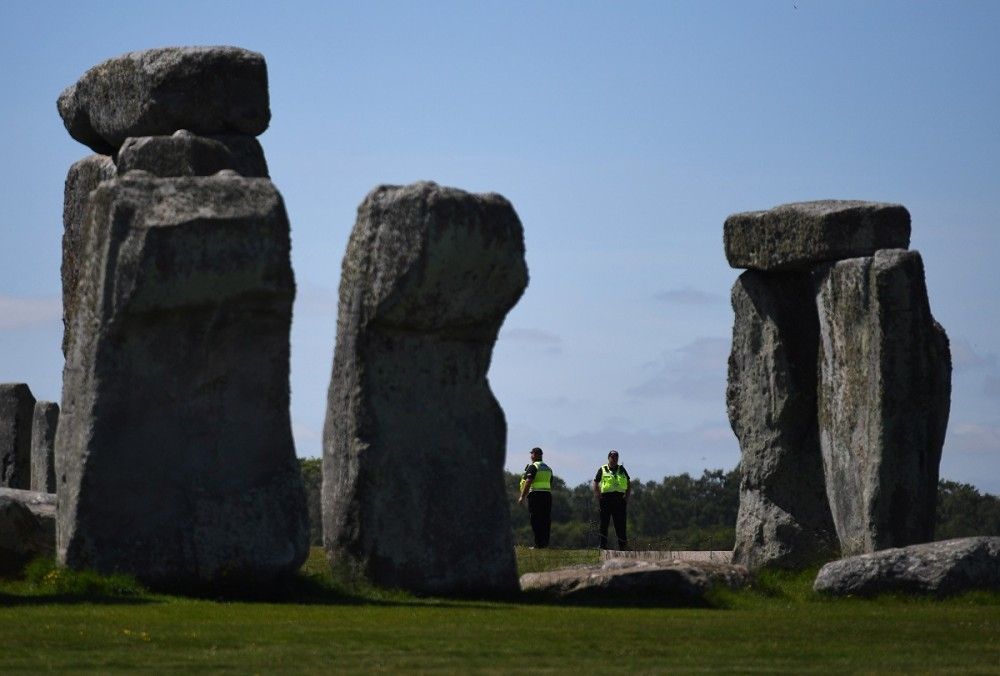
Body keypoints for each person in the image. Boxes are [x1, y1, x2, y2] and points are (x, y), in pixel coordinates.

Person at [593, 449, 630, 550]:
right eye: (612, 457)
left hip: (619, 499)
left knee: (620, 523)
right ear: (608, 458)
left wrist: (626, 497)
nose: (614, 459)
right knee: (604, 523)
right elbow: (596, 482)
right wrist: (598, 495)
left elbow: (628, 482)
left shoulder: (622, 469)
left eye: (616, 457)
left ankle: (623, 546)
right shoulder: (603, 469)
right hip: (605, 499)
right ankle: (602, 545)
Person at [518, 447, 552, 548]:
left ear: (536, 455)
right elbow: (550, 482)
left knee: (535, 519)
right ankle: (544, 544)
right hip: (547, 495)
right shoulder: (548, 468)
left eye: (532, 454)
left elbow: (528, 482)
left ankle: (538, 544)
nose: (531, 456)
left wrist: (522, 496)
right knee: (545, 520)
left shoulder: (533, 467)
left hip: (535, 495)